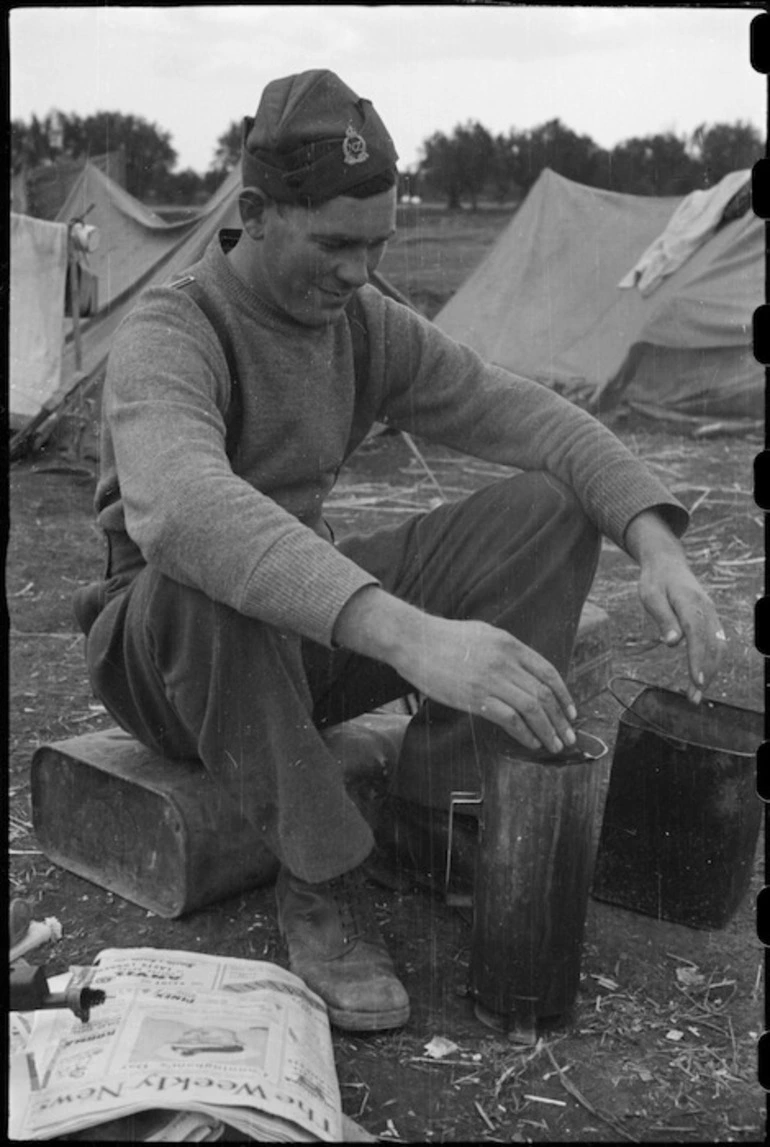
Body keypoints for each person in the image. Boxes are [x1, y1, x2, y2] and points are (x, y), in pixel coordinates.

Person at [74, 69, 724, 1033]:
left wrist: (653, 537)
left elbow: (536, 420)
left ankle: (434, 826)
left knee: (547, 507)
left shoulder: (363, 322)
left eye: (376, 246)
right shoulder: (174, 330)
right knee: (211, 577)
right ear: (254, 212)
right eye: (335, 243)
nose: (356, 272)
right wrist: (410, 636)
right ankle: (318, 887)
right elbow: (186, 511)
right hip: (170, 652)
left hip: (305, 637)